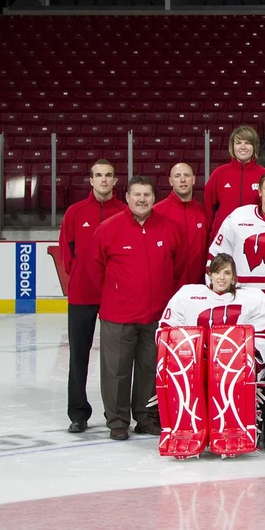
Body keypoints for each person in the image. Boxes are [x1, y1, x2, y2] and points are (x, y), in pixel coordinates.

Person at [86, 176, 182, 440]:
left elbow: (177, 267)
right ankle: (117, 420)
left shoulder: (168, 228)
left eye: (147, 195)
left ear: (154, 198)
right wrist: (115, 294)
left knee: (149, 368)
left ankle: (145, 416)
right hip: (119, 314)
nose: (142, 200)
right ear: (127, 197)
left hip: (155, 315)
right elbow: (95, 269)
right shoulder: (108, 228)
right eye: (137, 194)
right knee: (116, 369)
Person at [156, 254, 265, 442]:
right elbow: (167, 330)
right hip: (195, 362)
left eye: (227, 273)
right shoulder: (186, 295)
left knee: (240, 377)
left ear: (234, 276)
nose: (222, 278)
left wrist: (252, 362)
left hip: (233, 364)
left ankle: (240, 428)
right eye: (217, 272)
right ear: (209, 274)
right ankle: (187, 429)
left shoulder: (252, 298)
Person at [59, 159, 126, 433]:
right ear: (91, 180)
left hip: (114, 296)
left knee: (116, 358)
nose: (103, 180)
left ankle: (116, 413)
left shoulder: (124, 211)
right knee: (79, 355)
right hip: (82, 295)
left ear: (115, 181)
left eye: (108, 175)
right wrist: (79, 278)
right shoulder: (75, 213)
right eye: (98, 175)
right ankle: (78, 412)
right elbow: (66, 252)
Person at [153, 162, 210, 287]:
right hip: (167, 287)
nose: (183, 180)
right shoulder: (157, 212)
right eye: (177, 176)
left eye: (187, 175)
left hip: (199, 286)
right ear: (170, 181)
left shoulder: (204, 212)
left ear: (193, 180)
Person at [207, 125, 265, 236]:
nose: (243, 147)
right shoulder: (219, 174)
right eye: (238, 143)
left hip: (253, 237)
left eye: (248, 143)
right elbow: (208, 209)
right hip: (224, 237)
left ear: (254, 146)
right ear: (232, 146)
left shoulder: (264, 176)